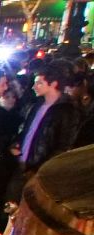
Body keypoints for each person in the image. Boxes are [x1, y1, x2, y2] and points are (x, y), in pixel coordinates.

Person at [6, 61, 81, 212]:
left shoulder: (67, 111)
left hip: (39, 172)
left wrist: (40, 169)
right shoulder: (37, 105)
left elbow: (63, 146)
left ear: (53, 84)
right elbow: (27, 132)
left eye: (39, 83)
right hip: (22, 165)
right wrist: (16, 144)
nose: (34, 87)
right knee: (10, 207)